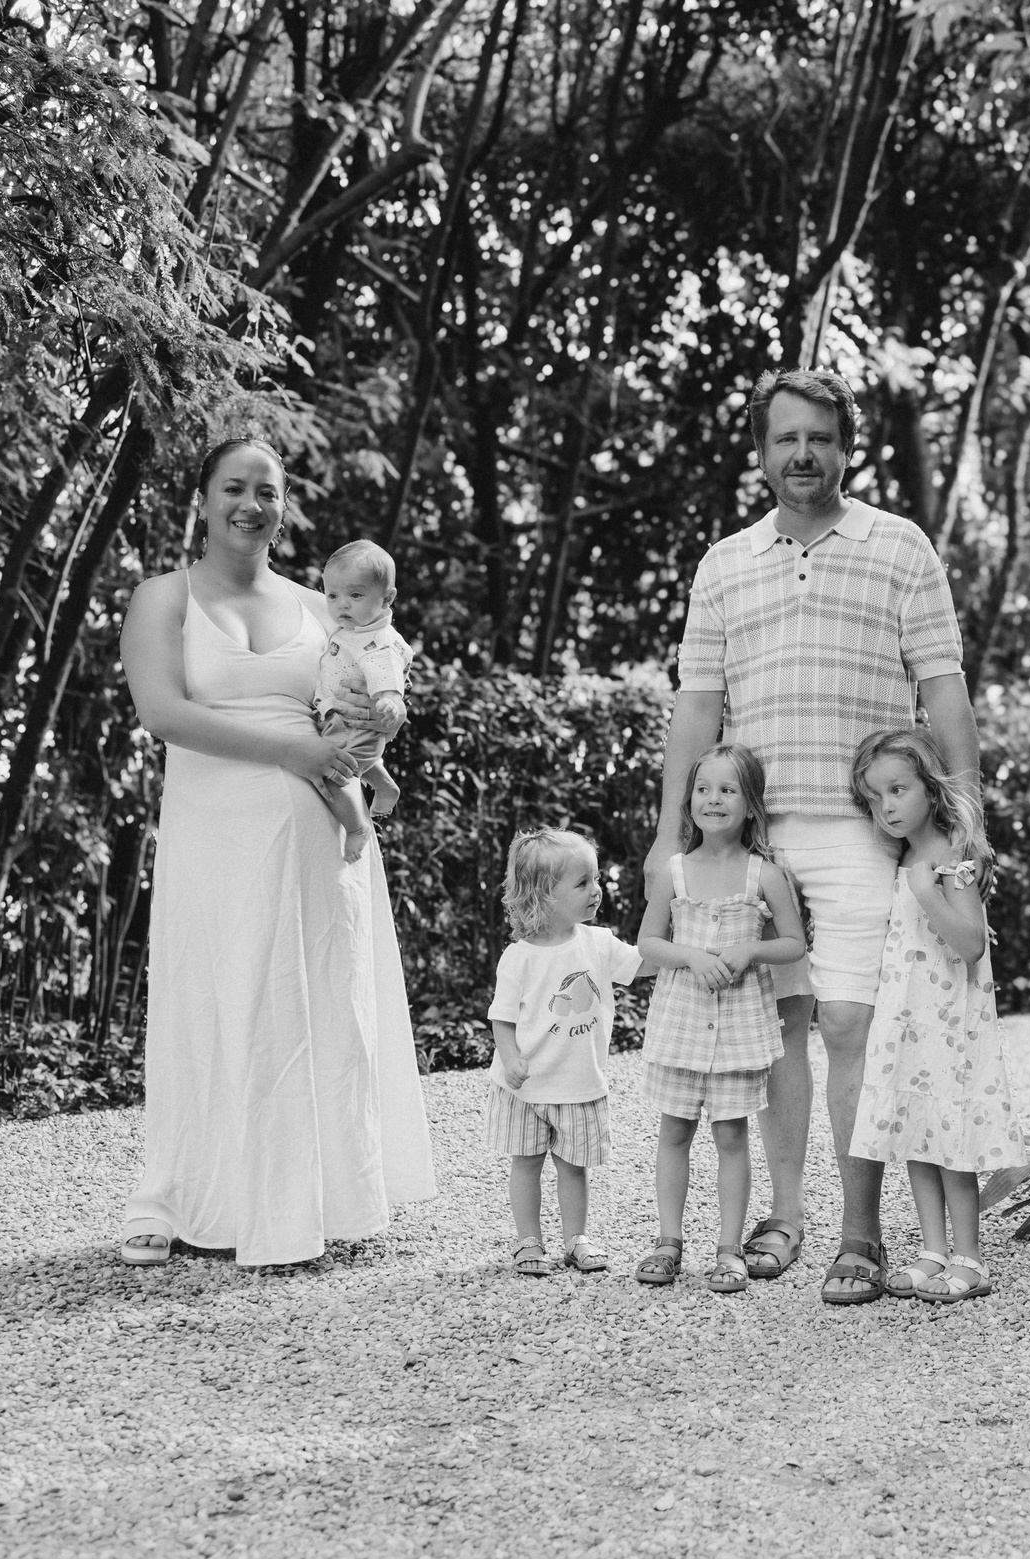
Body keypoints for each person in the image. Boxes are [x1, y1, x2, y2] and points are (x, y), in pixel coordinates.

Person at [652, 370, 980, 1305]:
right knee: (774, 1033)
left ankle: (861, 1232)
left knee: (851, 1026)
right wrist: (667, 834)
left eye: (821, 438)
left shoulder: (899, 546)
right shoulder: (724, 562)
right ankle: (786, 1216)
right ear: (761, 452)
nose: (804, 454)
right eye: (786, 438)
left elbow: (945, 688)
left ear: (847, 446)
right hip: (751, 839)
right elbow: (697, 706)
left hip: (859, 833)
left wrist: (968, 815)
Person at [115, 437, 435, 1268]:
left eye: (269, 490)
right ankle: (185, 1194)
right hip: (214, 838)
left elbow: (348, 699)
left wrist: (373, 757)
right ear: (204, 495)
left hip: (319, 840)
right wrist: (289, 754)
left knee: (312, 1008)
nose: (252, 504)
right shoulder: (163, 598)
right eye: (234, 487)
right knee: (214, 1004)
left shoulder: (318, 604)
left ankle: (319, 1198)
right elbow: (162, 712)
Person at [844, 727, 1020, 1302]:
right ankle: (932, 1251)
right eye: (874, 797)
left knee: (951, 1133)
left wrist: (928, 893)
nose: (886, 806)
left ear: (931, 787)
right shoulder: (904, 855)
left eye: (897, 790)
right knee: (918, 1130)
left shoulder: (950, 857)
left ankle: (969, 1258)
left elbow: (970, 944)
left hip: (948, 1018)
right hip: (907, 1017)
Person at [631, 744, 808, 1293]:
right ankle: (668, 1241)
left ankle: (729, 1248)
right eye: (704, 789)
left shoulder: (765, 875)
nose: (713, 799)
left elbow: (794, 944)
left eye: (728, 790)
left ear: (750, 803)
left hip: (737, 1027)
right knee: (675, 1131)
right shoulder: (675, 872)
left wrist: (748, 952)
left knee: (731, 1136)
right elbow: (648, 942)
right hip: (681, 1022)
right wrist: (692, 956)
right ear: (689, 802)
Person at [489, 829, 651, 1278]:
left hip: (579, 1083)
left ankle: (576, 1239)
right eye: (582, 883)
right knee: (525, 1165)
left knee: (574, 1167)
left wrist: (686, 947)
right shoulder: (518, 957)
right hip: (525, 1087)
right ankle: (528, 1243)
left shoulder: (598, 943)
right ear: (543, 895)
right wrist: (511, 1058)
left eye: (595, 879)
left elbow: (644, 964)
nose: (596, 890)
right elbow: (501, 1017)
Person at [310, 540, 412, 864]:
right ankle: (385, 788)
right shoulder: (354, 628)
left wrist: (391, 704)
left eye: (355, 595)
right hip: (346, 723)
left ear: (387, 599)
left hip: (354, 725)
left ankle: (355, 827)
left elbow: (390, 684)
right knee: (360, 761)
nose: (342, 605)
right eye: (333, 595)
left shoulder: (376, 643)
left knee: (331, 773)